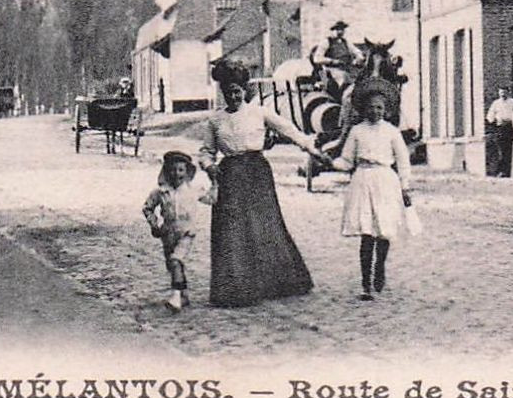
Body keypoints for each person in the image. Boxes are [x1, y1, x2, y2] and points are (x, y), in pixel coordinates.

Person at [197, 60, 330, 308]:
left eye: (237, 91)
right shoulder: (215, 121)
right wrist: (209, 165)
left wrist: (313, 149)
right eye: (228, 92)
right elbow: (205, 151)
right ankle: (236, 287)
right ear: (223, 92)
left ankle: (277, 282)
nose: (233, 96)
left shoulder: (259, 112)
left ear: (244, 90)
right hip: (230, 175)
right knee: (233, 231)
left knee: (265, 225)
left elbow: (289, 130)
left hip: (257, 172)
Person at [332, 91, 413, 300]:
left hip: (386, 180)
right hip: (363, 180)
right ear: (364, 108)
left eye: (379, 107)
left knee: (383, 230)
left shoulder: (392, 132)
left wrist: (405, 186)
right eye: (371, 107)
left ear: (386, 110)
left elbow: (403, 161)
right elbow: (347, 160)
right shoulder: (357, 131)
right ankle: (365, 283)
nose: (375, 111)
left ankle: (380, 267)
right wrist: (330, 162)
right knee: (366, 232)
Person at [143, 150, 205, 312]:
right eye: (172, 170)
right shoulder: (160, 192)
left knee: (176, 260)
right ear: (166, 171)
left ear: (187, 172)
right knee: (173, 265)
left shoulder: (193, 189)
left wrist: (217, 184)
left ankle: (175, 297)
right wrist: (154, 224)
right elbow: (148, 208)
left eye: (180, 170)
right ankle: (183, 294)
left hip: (187, 232)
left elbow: (211, 199)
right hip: (168, 233)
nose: (176, 174)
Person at [485, 87, 513, 177]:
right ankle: (502, 171)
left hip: (510, 127)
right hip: (500, 128)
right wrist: (495, 120)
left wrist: (512, 120)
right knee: (501, 150)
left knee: (509, 149)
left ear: (508, 92)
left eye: (504, 92)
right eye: (501, 93)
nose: (503, 94)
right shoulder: (496, 103)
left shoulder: (512, 102)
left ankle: (509, 171)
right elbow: (490, 116)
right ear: (499, 93)